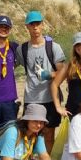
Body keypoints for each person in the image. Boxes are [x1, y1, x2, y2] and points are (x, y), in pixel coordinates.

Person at [15, 11, 66, 151]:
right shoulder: (22, 49)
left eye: (38, 24)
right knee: (30, 134)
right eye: (32, 25)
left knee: (48, 134)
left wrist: (49, 75)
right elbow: (10, 65)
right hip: (32, 98)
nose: (35, 28)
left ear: (43, 25)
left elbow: (63, 72)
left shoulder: (53, 47)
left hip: (49, 98)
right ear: (27, 27)